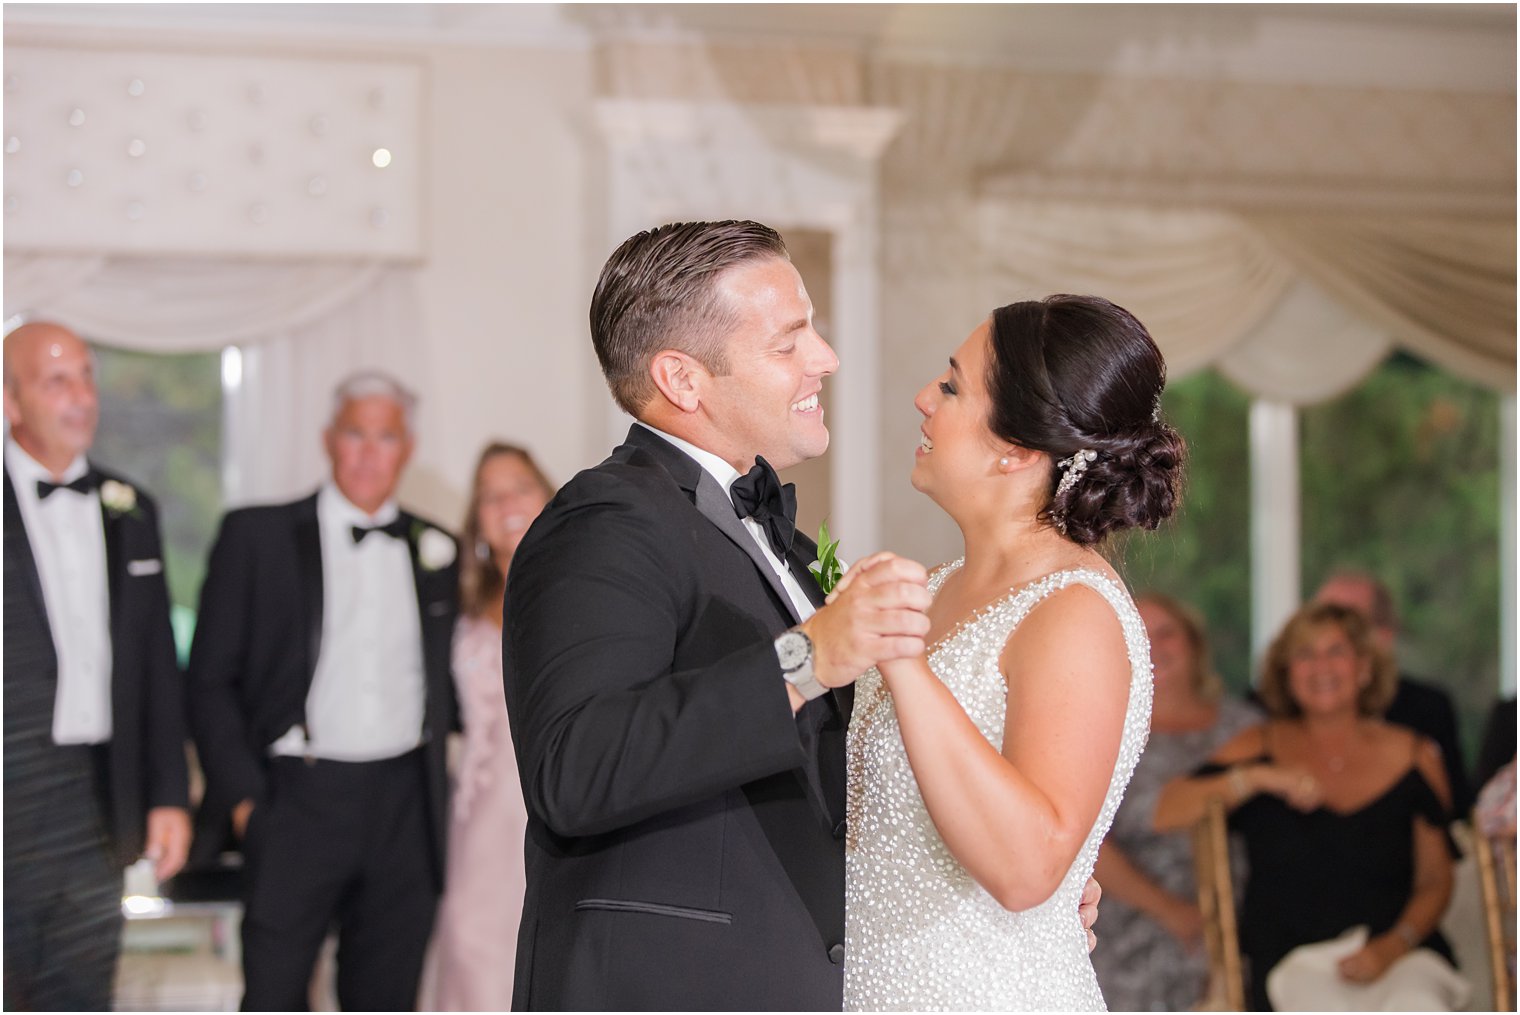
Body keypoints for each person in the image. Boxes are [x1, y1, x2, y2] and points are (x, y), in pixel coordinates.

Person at [502, 219, 944, 1010]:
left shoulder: (786, 544)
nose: (826, 359)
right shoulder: (604, 519)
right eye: (789, 341)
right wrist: (808, 658)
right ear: (683, 378)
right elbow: (577, 766)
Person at [843, 294, 1184, 1010]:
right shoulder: (931, 589)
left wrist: (902, 658)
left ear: (1018, 449)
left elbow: (1029, 867)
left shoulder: (1074, 612)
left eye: (952, 386)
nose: (922, 399)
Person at [187, 371, 460, 1010]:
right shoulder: (256, 537)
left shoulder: (437, 547)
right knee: (275, 996)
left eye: (385, 437)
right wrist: (249, 803)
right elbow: (207, 681)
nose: (368, 453)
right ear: (327, 441)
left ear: (407, 448)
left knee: (387, 999)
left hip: (404, 810)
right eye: (354, 434)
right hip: (295, 802)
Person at [2, 322, 192, 1010]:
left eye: (86, 376)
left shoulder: (131, 510)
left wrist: (169, 793)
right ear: (10, 400)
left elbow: (155, 668)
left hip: (97, 799)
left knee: (81, 993)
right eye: (57, 380)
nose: (82, 396)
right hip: (6, 795)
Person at [1155, 602, 1464, 1011]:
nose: (1321, 667)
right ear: (1287, 675)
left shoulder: (1416, 755)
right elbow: (1167, 811)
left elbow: (1436, 881)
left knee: (1417, 1003)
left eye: (1335, 651)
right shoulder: (1259, 745)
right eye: (1304, 655)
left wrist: (1391, 947)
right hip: (1292, 964)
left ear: (1364, 667)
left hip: (1400, 959)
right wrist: (1257, 779)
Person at [1091, 594, 1261, 1011]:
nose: (1156, 646)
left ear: (1193, 642)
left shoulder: (1246, 726)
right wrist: (1172, 913)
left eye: (1167, 633)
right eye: (1142, 635)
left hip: (1236, 926)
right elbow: (1087, 842)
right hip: (1130, 924)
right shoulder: (1102, 728)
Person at [429, 443, 551, 1010]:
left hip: (550, 800)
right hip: (478, 819)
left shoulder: (580, 587)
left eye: (519, 486)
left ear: (546, 494)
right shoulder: (454, 600)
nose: (505, 502)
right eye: (489, 493)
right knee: (473, 954)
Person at [1314, 571, 1471, 814]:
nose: (1324, 660)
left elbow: (1454, 810)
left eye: (1348, 629)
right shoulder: (1272, 710)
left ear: (1384, 637)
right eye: (1317, 623)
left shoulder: (1427, 710)